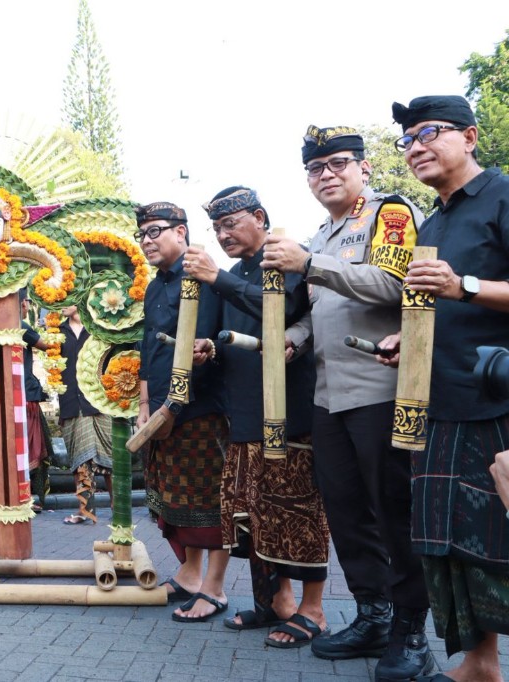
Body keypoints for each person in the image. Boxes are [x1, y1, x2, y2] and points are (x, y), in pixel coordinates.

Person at [261, 126, 433, 678]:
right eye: (316, 168)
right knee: (346, 512)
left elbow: (394, 282)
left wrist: (308, 265)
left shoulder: (390, 214)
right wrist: (295, 337)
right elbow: (325, 311)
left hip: (383, 390)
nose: (326, 175)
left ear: (364, 168)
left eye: (338, 163)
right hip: (329, 396)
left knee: (393, 512)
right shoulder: (321, 236)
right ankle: (372, 615)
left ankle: (411, 630)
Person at [379, 95, 509, 682]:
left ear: (470, 136)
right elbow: (432, 308)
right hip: (438, 404)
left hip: (497, 401)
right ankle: (480, 662)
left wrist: (466, 285)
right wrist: (406, 339)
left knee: (498, 541)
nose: (415, 147)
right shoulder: (430, 223)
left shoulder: (503, 197)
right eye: (407, 139)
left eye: (428, 133)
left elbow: (461, 291)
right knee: (449, 543)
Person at [184, 187, 330, 648]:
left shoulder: (285, 256)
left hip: (290, 412)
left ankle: (314, 609)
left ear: (261, 218)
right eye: (216, 228)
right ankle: (275, 602)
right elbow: (238, 333)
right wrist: (211, 348)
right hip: (244, 413)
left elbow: (280, 311)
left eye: (230, 224)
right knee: (253, 513)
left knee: (298, 510)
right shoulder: (233, 274)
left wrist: (216, 278)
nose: (222, 234)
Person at [135, 201, 231, 623]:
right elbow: (147, 348)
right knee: (177, 499)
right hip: (159, 408)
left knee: (210, 499)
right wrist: (145, 406)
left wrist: (175, 404)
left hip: (200, 408)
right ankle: (190, 576)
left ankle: (215, 587)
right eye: (142, 234)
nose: (146, 240)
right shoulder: (154, 287)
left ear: (181, 232)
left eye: (155, 231)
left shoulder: (203, 278)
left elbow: (209, 346)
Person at [58, 304, 114, 525]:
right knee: (81, 459)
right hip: (72, 402)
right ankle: (85, 510)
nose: (61, 303)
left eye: (67, 298)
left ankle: (117, 506)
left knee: (110, 458)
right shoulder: (56, 332)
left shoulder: (99, 328)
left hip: (101, 401)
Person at [19, 291, 51, 511]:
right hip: (26, 395)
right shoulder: (21, 326)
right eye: (29, 302)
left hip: (15, 394)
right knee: (32, 447)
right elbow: (47, 345)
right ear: (23, 303)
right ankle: (27, 496)